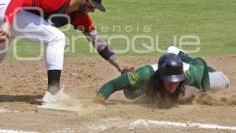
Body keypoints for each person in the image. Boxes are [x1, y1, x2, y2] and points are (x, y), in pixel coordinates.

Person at [97, 46, 230, 104]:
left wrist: (206, 92)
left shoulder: (191, 74)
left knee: (224, 82)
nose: (172, 84)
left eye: (175, 80)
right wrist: (97, 102)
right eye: (168, 80)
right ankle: (126, 75)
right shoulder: (145, 74)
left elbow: (201, 63)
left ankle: (179, 54)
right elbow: (113, 84)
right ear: (160, 77)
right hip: (151, 79)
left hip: (190, 65)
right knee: (131, 94)